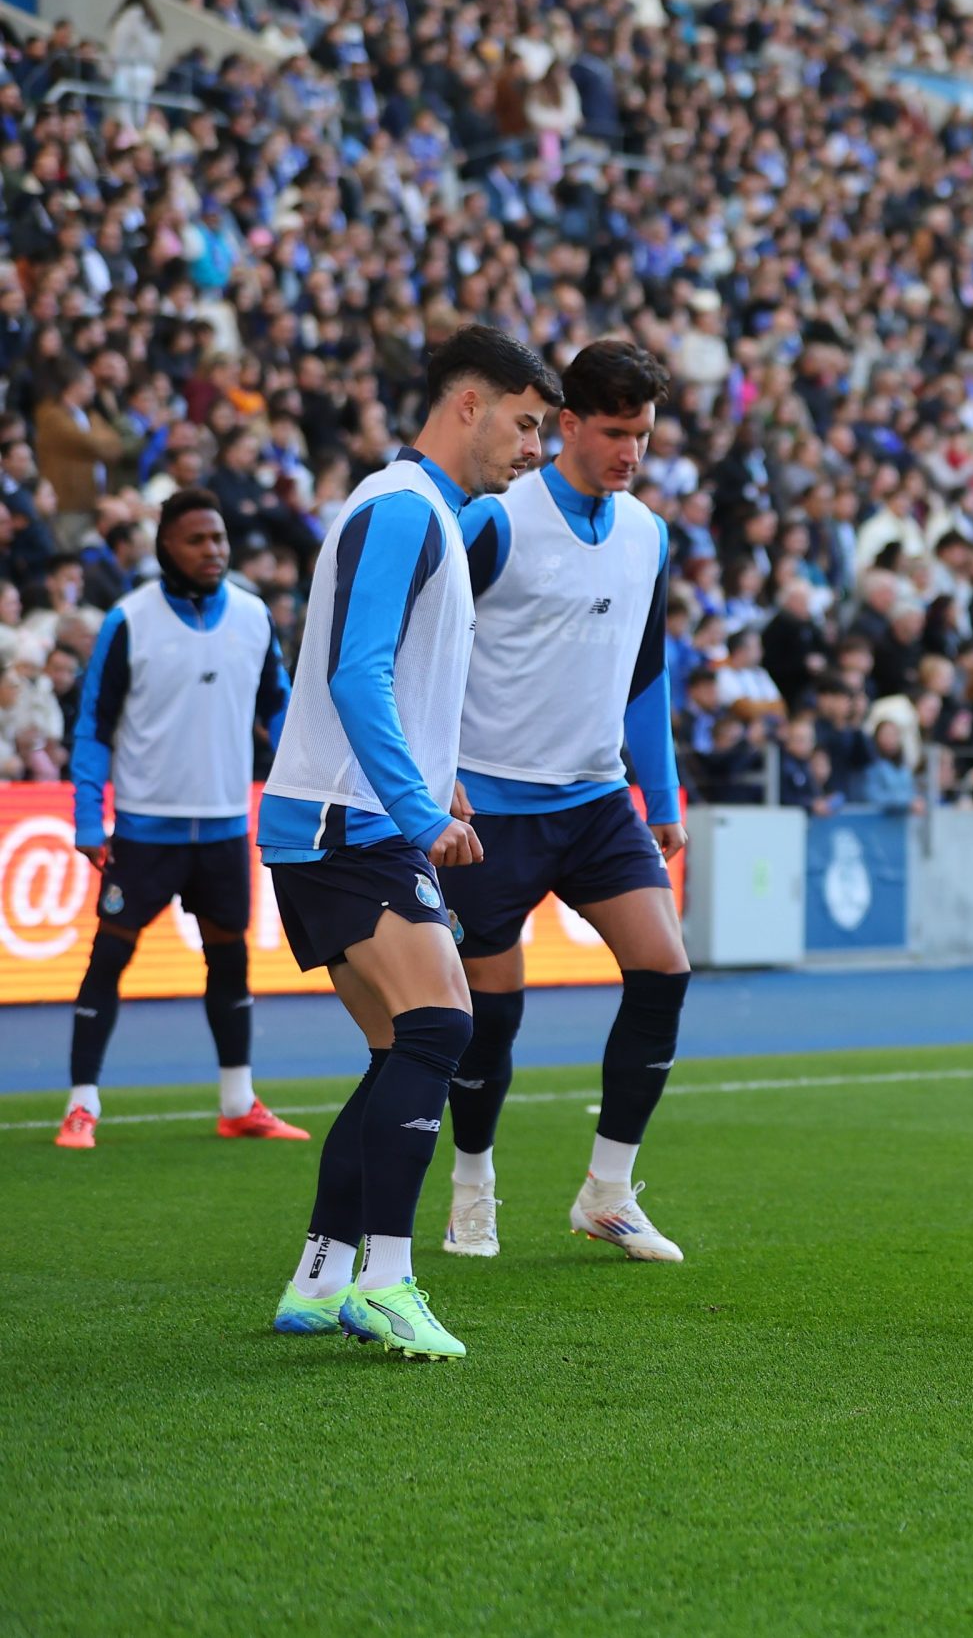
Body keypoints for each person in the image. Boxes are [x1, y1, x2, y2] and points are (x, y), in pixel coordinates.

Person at [264, 325, 561, 1361]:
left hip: (342, 815)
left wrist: (442, 783)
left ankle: (319, 1278)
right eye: (528, 424)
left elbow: (395, 682)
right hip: (353, 823)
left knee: (404, 1045)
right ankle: (386, 1280)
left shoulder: (428, 509)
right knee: (442, 1030)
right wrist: (420, 809)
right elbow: (356, 672)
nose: (537, 450)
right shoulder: (403, 508)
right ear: (467, 405)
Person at [437, 340, 691, 1263]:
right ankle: (473, 1189)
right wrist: (435, 770)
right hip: (490, 812)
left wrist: (659, 795)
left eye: (646, 435)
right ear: (569, 425)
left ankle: (609, 1192)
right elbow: (428, 642)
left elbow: (648, 674)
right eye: (617, 433)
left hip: (593, 802)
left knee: (664, 968)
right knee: (490, 1018)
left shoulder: (648, 535)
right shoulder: (497, 519)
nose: (633, 453)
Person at [56, 490, 297, 1148]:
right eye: (197, 540)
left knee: (230, 962)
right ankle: (82, 1105)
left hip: (223, 828)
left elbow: (283, 712)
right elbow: (93, 729)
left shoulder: (252, 617)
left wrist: (312, 778)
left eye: (219, 538)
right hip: (143, 831)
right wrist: (86, 818)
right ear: (166, 546)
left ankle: (238, 1101)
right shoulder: (127, 620)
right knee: (108, 959)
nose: (213, 550)